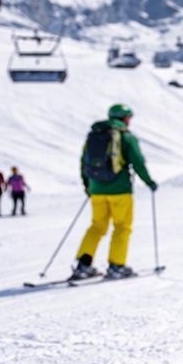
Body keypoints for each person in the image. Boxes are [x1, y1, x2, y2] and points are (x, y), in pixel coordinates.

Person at [72, 104, 157, 280]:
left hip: (97, 190)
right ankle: (116, 265)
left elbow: (84, 162)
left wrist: (88, 186)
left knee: (97, 226)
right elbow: (138, 162)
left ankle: (83, 265)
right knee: (122, 227)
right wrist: (149, 182)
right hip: (120, 191)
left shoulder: (94, 135)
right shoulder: (126, 137)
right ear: (124, 118)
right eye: (129, 117)